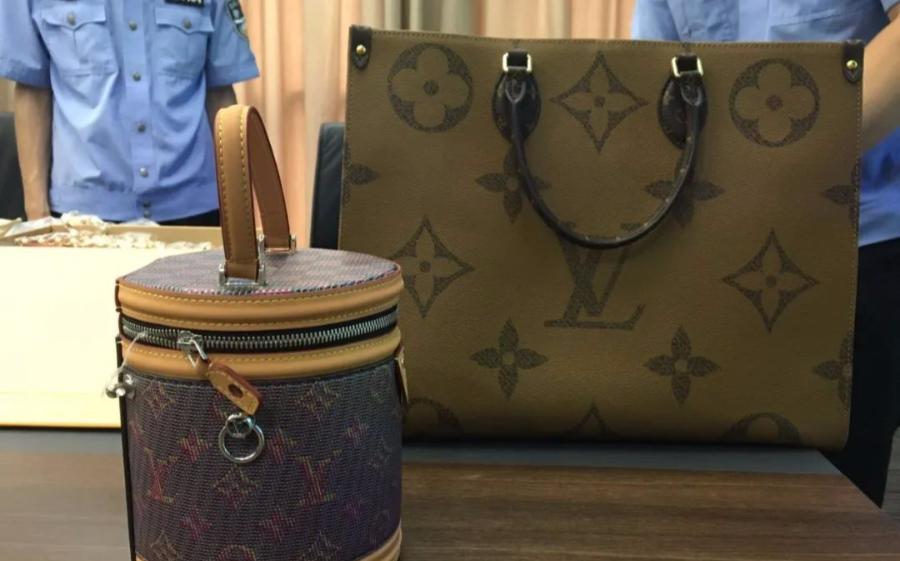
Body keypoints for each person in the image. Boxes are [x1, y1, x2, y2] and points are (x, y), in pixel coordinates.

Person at [633, 0, 900, 505]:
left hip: (852, 247)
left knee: (830, 508)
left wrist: (779, 163)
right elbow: (653, 73)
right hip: (707, 251)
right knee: (698, 499)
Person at [0, 0, 260, 226]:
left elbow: (221, 95)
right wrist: (37, 213)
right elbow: (32, 89)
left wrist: (238, 211)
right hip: (81, 213)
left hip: (194, 207)